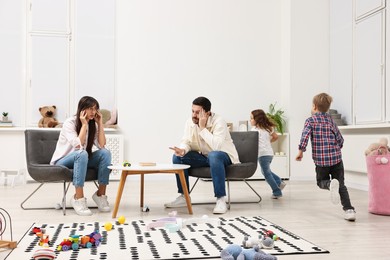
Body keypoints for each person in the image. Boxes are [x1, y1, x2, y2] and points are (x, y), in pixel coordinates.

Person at [166, 96, 240, 214]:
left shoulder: (219, 121)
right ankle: (184, 196)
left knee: (214, 155)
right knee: (178, 157)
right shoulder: (190, 122)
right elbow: (187, 141)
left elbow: (217, 146)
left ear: (207, 113)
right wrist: (183, 150)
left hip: (224, 156)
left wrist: (202, 128)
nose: (194, 115)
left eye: (198, 112)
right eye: (193, 111)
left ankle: (221, 199)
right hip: (205, 157)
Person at [295, 92, 356, 221]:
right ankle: (349, 210)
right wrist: (337, 148)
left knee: (320, 182)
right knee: (341, 185)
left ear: (314, 106)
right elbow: (340, 139)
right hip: (336, 159)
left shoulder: (310, 121)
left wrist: (301, 151)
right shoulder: (331, 121)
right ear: (328, 108)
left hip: (321, 161)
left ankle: (328, 185)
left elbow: (305, 136)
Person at [50, 96, 112, 216]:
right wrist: (84, 125)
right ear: (82, 109)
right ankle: (78, 198)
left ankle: (100, 195)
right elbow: (78, 146)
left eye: (95, 109)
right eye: (90, 109)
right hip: (62, 161)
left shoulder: (93, 123)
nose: (93, 112)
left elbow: (102, 145)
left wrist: (100, 123)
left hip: (82, 158)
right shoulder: (70, 122)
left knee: (105, 153)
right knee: (81, 153)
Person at [250, 109, 286, 199]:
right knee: (266, 171)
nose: (250, 120)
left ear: (257, 119)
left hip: (262, 154)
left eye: (251, 118)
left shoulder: (254, 129)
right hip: (269, 153)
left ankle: (277, 191)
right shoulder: (268, 128)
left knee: (266, 173)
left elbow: (253, 142)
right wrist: (269, 141)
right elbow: (276, 137)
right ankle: (279, 182)